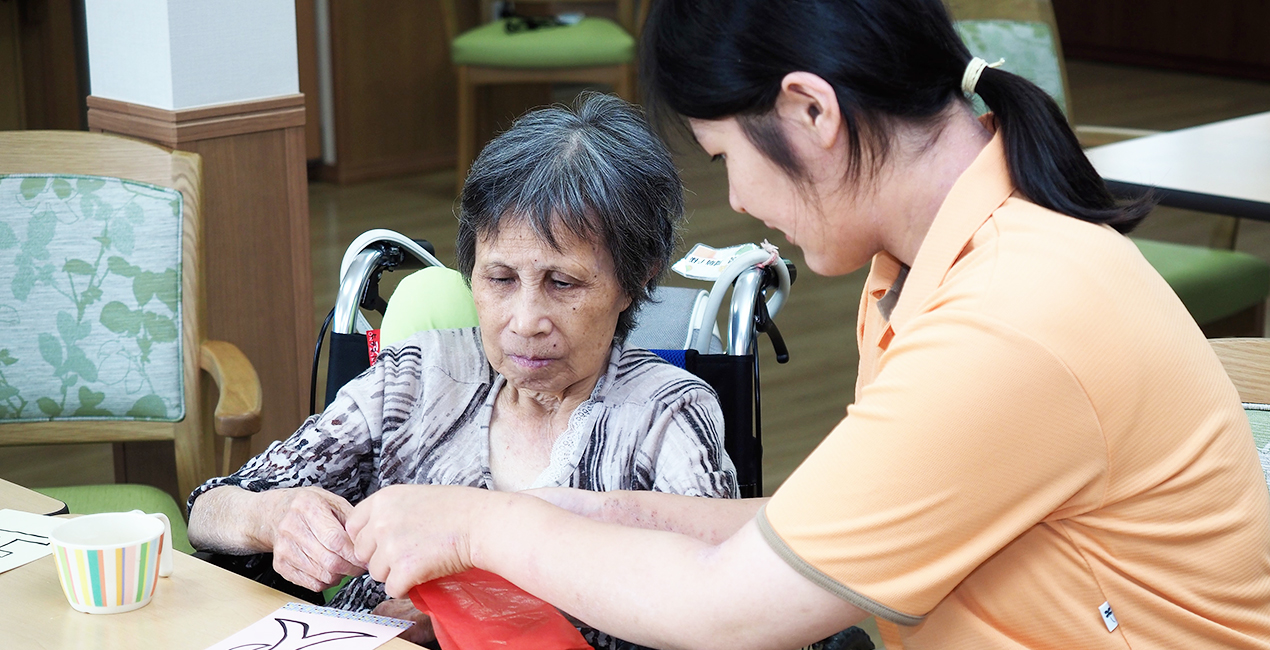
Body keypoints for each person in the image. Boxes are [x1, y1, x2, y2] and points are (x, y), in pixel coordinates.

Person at [344, 1, 1270, 649]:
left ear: (810, 110)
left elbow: (726, 609)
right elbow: (811, 533)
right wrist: (553, 507)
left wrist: (476, 526)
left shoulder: (1014, 319)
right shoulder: (920, 268)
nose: (740, 202)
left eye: (725, 158)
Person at [186, 93, 737, 647]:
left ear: (636, 278)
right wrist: (275, 514)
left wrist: (469, 619)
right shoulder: (417, 377)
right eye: (499, 279)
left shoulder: (665, 416)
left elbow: (717, 607)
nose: (525, 321)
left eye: (562, 283)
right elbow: (209, 508)